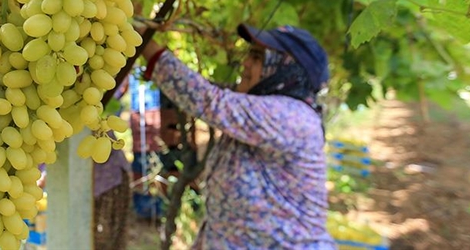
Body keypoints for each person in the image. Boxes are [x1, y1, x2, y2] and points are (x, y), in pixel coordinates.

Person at [139, 23, 336, 249]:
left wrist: (145, 42)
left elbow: (206, 99)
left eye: (257, 57)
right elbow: (205, 91)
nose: (245, 63)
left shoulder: (293, 117)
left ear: (285, 68)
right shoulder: (257, 113)